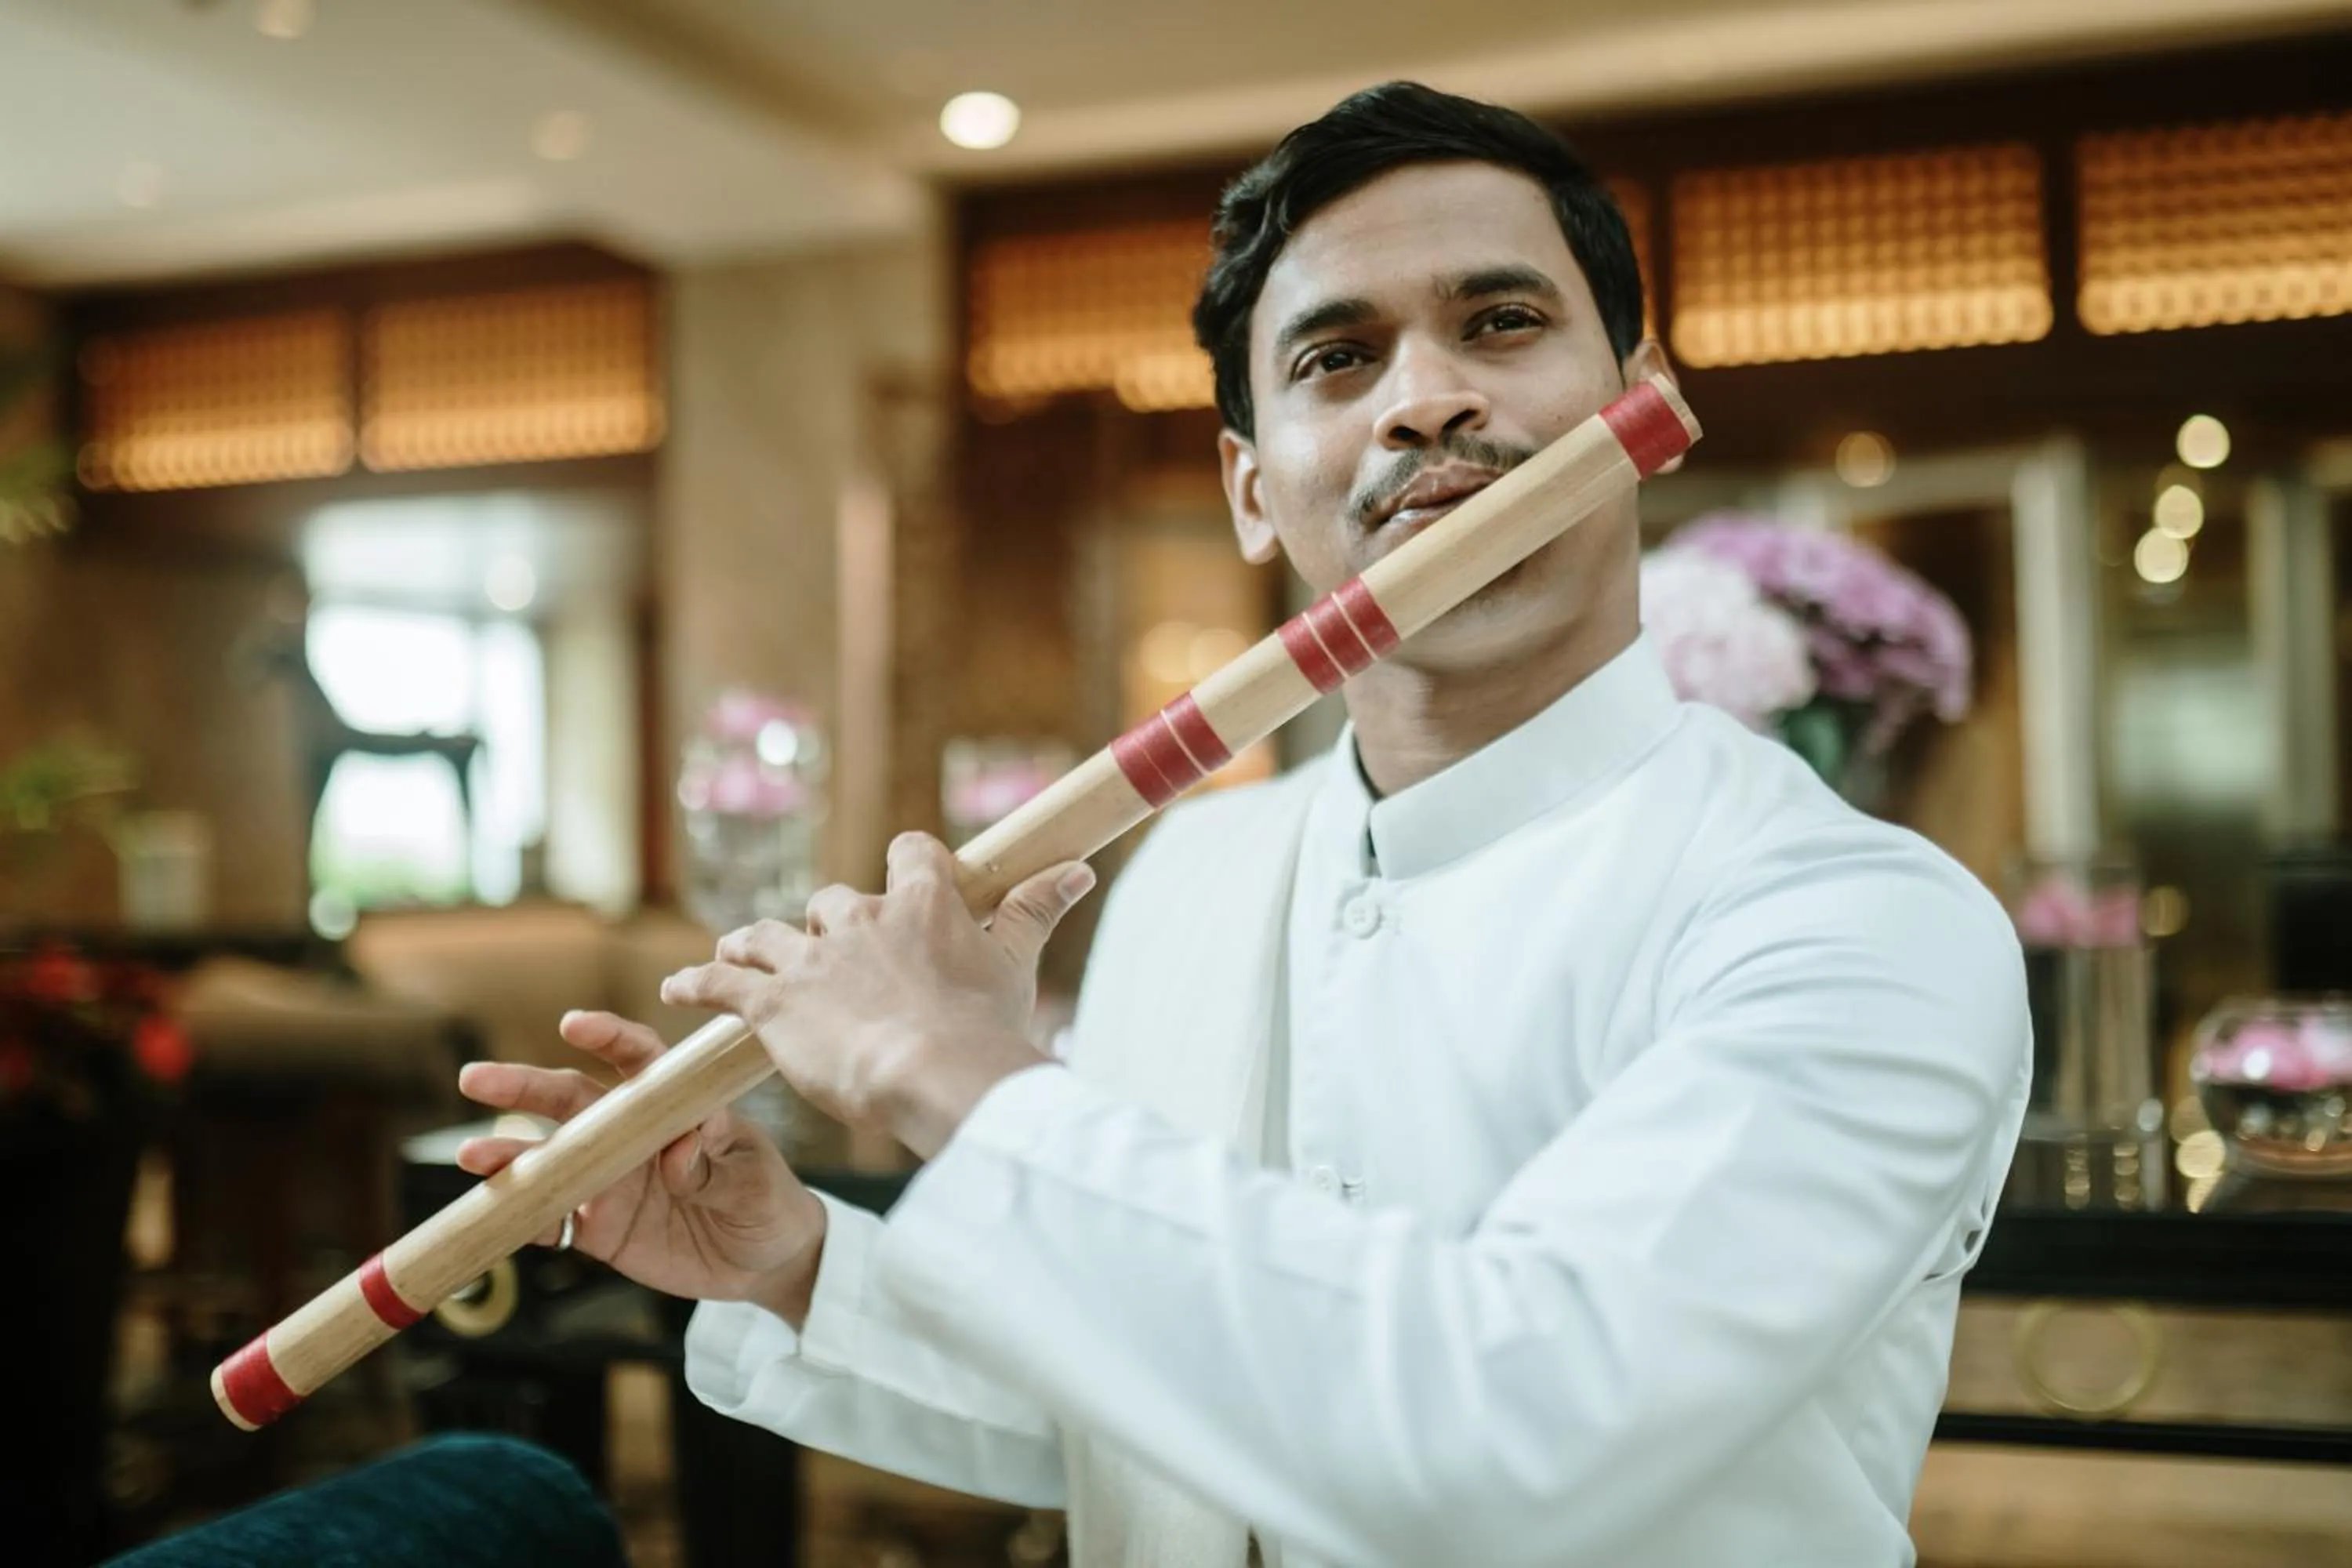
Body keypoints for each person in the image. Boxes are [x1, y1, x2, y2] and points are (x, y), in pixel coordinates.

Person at [458, 82, 2030, 1568]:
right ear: (1250, 489)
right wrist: (792, 1255)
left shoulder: (1858, 918)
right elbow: (1160, 1397)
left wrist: (955, 1077)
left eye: (1502, 321)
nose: (1427, 400)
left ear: (1637, 394)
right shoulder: (1198, 869)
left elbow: (1515, 1423)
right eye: (1337, 361)